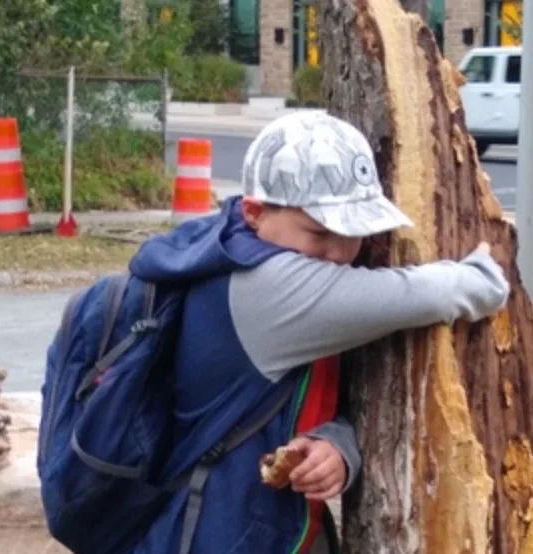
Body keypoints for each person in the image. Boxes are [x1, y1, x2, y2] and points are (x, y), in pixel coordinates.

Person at [124, 110, 510, 553]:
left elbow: (302, 394)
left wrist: (334, 444)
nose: (341, 253)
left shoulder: (231, 249)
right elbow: (432, 294)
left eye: (355, 233)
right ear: (254, 212)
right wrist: (485, 272)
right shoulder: (265, 285)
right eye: (320, 232)